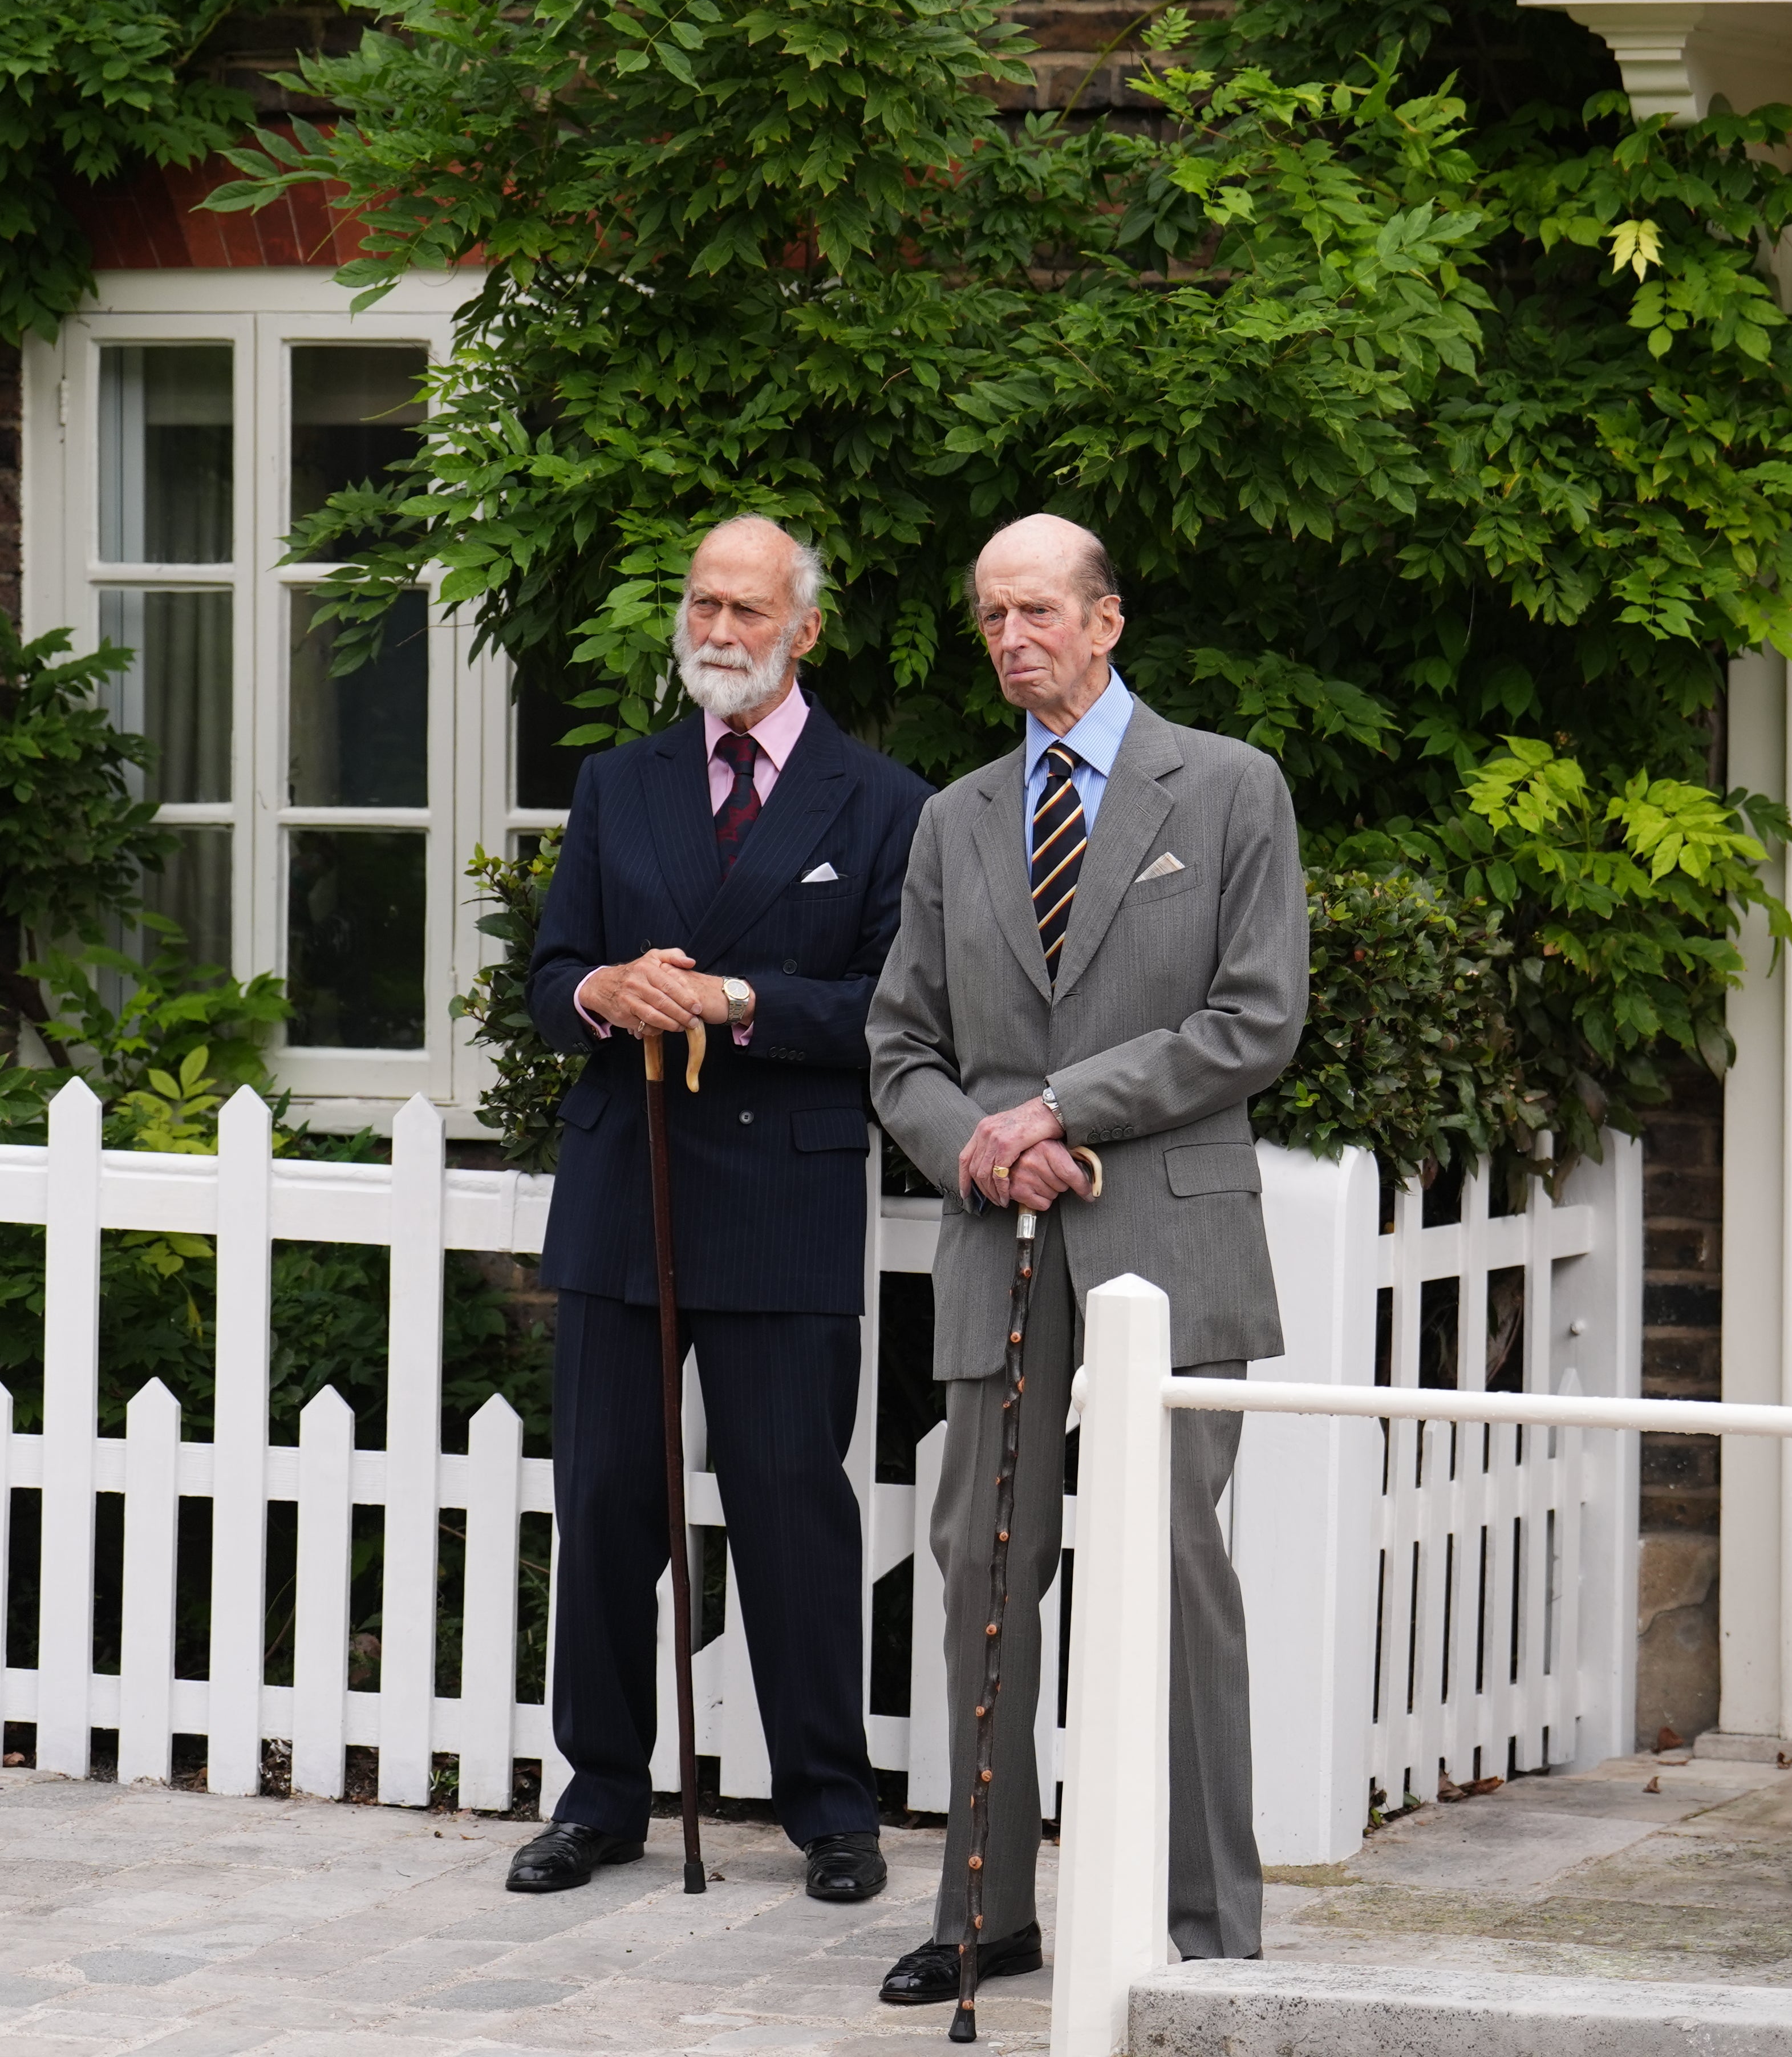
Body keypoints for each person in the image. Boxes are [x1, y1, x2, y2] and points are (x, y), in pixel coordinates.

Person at [865, 512, 1307, 2001]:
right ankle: (983, 1911)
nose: (1011, 640)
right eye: (990, 616)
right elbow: (901, 1045)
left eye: (1037, 611)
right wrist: (981, 1141)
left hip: (1171, 1242)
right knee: (983, 1566)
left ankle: (1210, 1933)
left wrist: (1060, 1106)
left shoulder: (1232, 790)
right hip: (1000, 1248)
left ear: (1107, 622)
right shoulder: (955, 821)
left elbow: (1256, 1021)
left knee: (1176, 1576)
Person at [508, 513, 933, 1902]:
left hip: (785, 1198)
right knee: (609, 1502)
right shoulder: (618, 784)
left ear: (803, 629)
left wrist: (735, 999)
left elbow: (895, 1010)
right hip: (627, 1184)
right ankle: (600, 1791)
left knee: (793, 1511)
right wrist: (601, 990)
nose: (720, 630)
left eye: (750, 609)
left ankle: (830, 1806)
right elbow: (548, 968)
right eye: (703, 604)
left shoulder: (884, 804)